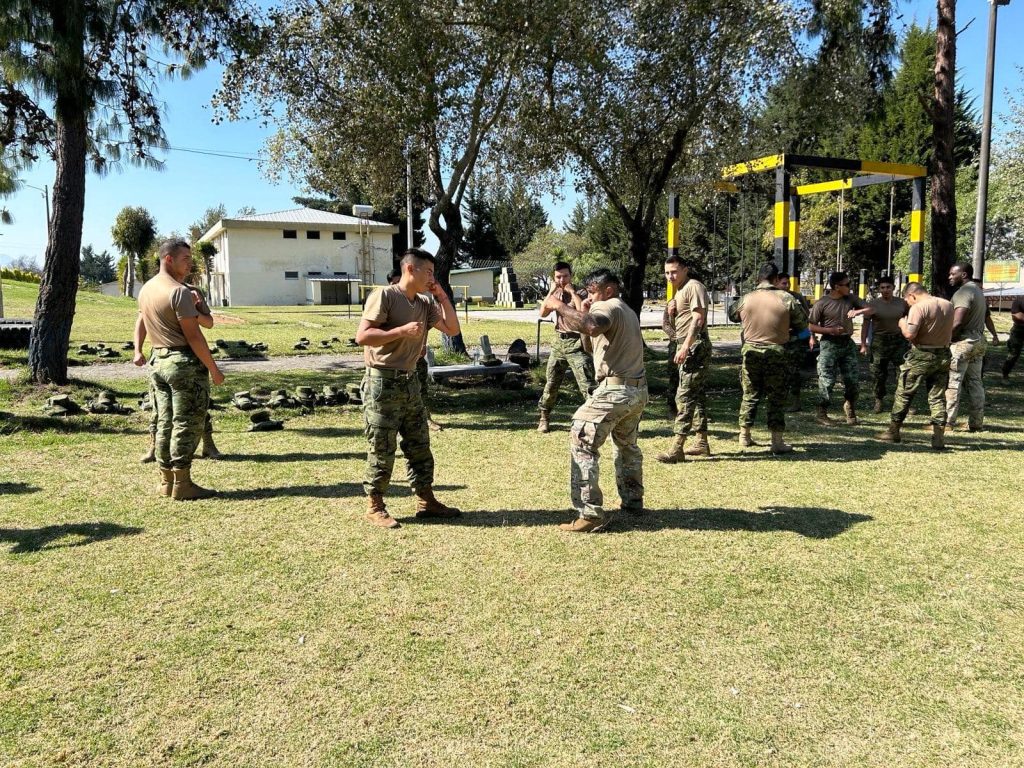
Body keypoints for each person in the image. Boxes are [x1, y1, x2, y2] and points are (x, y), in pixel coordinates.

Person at [356, 248, 462, 528]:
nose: (432, 277)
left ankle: (426, 500)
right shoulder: (385, 295)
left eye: (433, 273)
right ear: (410, 269)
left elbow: (452, 329)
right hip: (382, 381)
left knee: (419, 444)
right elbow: (363, 336)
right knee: (382, 445)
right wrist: (399, 332)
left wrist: (441, 296)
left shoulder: (426, 302)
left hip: (409, 380)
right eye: (428, 271)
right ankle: (375, 505)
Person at [541, 268, 646, 533]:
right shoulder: (626, 310)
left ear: (607, 290)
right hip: (635, 391)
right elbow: (590, 343)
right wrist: (585, 312)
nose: (588, 296)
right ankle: (633, 500)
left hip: (616, 390)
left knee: (581, 436)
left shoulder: (609, 306)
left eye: (592, 291)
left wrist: (558, 306)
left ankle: (589, 513)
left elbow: (590, 324)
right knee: (626, 445)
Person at [133, 239, 225, 500]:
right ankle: (182, 483)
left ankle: (166, 481)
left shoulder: (147, 289)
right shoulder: (178, 292)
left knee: (164, 422)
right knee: (186, 423)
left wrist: (138, 350)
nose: (190, 262)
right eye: (185, 257)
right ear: (168, 259)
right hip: (182, 364)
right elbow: (195, 336)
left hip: (158, 361)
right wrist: (214, 369)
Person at [727, 262, 808, 454]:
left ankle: (744, 435)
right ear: (775, 279)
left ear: (758, 279)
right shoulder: (787, 299)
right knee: (777, 397)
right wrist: (790, 337)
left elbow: (732, 315)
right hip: (777, 353)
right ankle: (776, 441)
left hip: (751, 353)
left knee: (750, 394)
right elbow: (803, 326)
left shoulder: (746, 299)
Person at [140, 283, 220, 463]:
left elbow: (208, 323)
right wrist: (137, 349)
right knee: (159, 409)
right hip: (161, 358)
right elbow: (142, 320)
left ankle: (208, 444)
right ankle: (155, 448)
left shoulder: (191, 290)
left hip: (189, 356)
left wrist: (195, 308)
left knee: (196, 406)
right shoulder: (154, 289)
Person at [879, 283, 955, 449]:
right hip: (943, 354)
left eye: (908, 301)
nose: (908, 304)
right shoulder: (948, 305)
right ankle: (938, 436)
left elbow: (909, 334)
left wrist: (901, 324)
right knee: (937, 396)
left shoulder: (919, 307)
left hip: (921, 354)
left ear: (912, 295)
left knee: (904, 393)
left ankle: (893, 431)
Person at [657, 256, 712, 462]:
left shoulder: (693, 286)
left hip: (694, 346)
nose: (670, 276)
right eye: (667, 272)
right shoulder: (679, 291)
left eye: (674, 271)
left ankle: (677, 448)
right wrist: (671, 313)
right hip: (684, 344)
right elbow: (676, 325)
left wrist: (686, 346)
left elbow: (698, 318)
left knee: (685, 396)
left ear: (685, 270)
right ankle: (701, 442)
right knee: (696, 395)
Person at [807, 271, 873, 426]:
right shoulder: (822, 303)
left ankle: (850, 408)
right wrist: (829, 331)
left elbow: (871, 309)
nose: (850, 287)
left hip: (847, 344)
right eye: (847, 284)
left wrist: (858, 311)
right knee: (827, 380)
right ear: (837, 286)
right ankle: (822, 412)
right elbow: (810, 325)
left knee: (852, 380)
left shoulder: (850, 299)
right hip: (829, 344)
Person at [536, 261, 595, 433]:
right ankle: (544, 417)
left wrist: (572, 292)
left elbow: (582, 313)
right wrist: (551, 291)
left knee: (587, 385)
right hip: (558, 343)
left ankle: (593, 421)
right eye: (558, 277)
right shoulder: (555, 294)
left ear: (571, 276)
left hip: (576, 343)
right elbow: (543, 312)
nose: (562, 280)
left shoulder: (582, 293)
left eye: (565, 276)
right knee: (551, 383)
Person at [388, 268, 442, 432]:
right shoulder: (388, 302)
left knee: (420, 388)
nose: (397, 285)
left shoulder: (418, 303)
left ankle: (426, 419)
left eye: (399, 281)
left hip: (415, 356)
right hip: (394, 359)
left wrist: (423, 345)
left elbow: (425, 327)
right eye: (394, 283)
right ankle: (395, 424)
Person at [945, 263, 991, 431]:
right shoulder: (978, 291)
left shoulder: (963, 292)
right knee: (975, 382)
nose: (949, 277)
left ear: (963, 275)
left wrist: (946, 339)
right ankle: (977, 423)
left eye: (952, 274)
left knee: (954, 382)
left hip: (964, 343)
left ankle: (948, 422)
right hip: (978, 341)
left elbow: (957, 322)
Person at [861, 274, 909, 413]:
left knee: (903, 373)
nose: (886, 290)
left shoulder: (902, 303)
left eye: (888, 287)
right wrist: (863, 344)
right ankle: (878, 400)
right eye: (882, 287)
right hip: (879, 342)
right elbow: (865, 325)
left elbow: (911, 320)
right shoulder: (873, 304)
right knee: (878, 373)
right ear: (879, 289)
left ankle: (903, 402)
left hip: (899, 341)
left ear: (893, 287)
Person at [773, 271, 811, 411]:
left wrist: (807, 336)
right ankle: (779, 399)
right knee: (777, 371)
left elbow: (807, 317)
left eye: (788, 283)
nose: (787, 286)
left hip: (795, 340)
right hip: (777, 340)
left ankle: (795, 401)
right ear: (776, 283)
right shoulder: (771, 298)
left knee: (794, 371)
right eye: (784, 283)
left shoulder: (796, 297)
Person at [1002, 294, 1024, 379]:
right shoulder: (1019, 300)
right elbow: (1017, 317)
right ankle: (1005, 374)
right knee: (1014, 354)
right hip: (1019, 330)